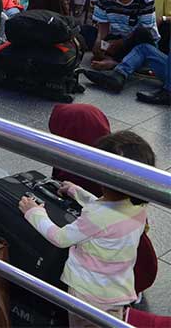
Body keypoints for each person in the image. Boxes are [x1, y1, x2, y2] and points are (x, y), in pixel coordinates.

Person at [19, 131, 154, 328]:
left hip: (87, 293)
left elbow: (60, 237)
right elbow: (105, 209)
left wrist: (33, 213)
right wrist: (77, 192)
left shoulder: (97, 216)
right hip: (117, 290)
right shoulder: (137, 207)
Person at [91, 0, 159, 70]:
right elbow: (103, 24)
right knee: (87, 32)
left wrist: (121, 43)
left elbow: (147, 29)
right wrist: (99, 41)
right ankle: (111, 58)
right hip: (117, 36)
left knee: (141, 33)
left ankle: (115, 63)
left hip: (139, 40)